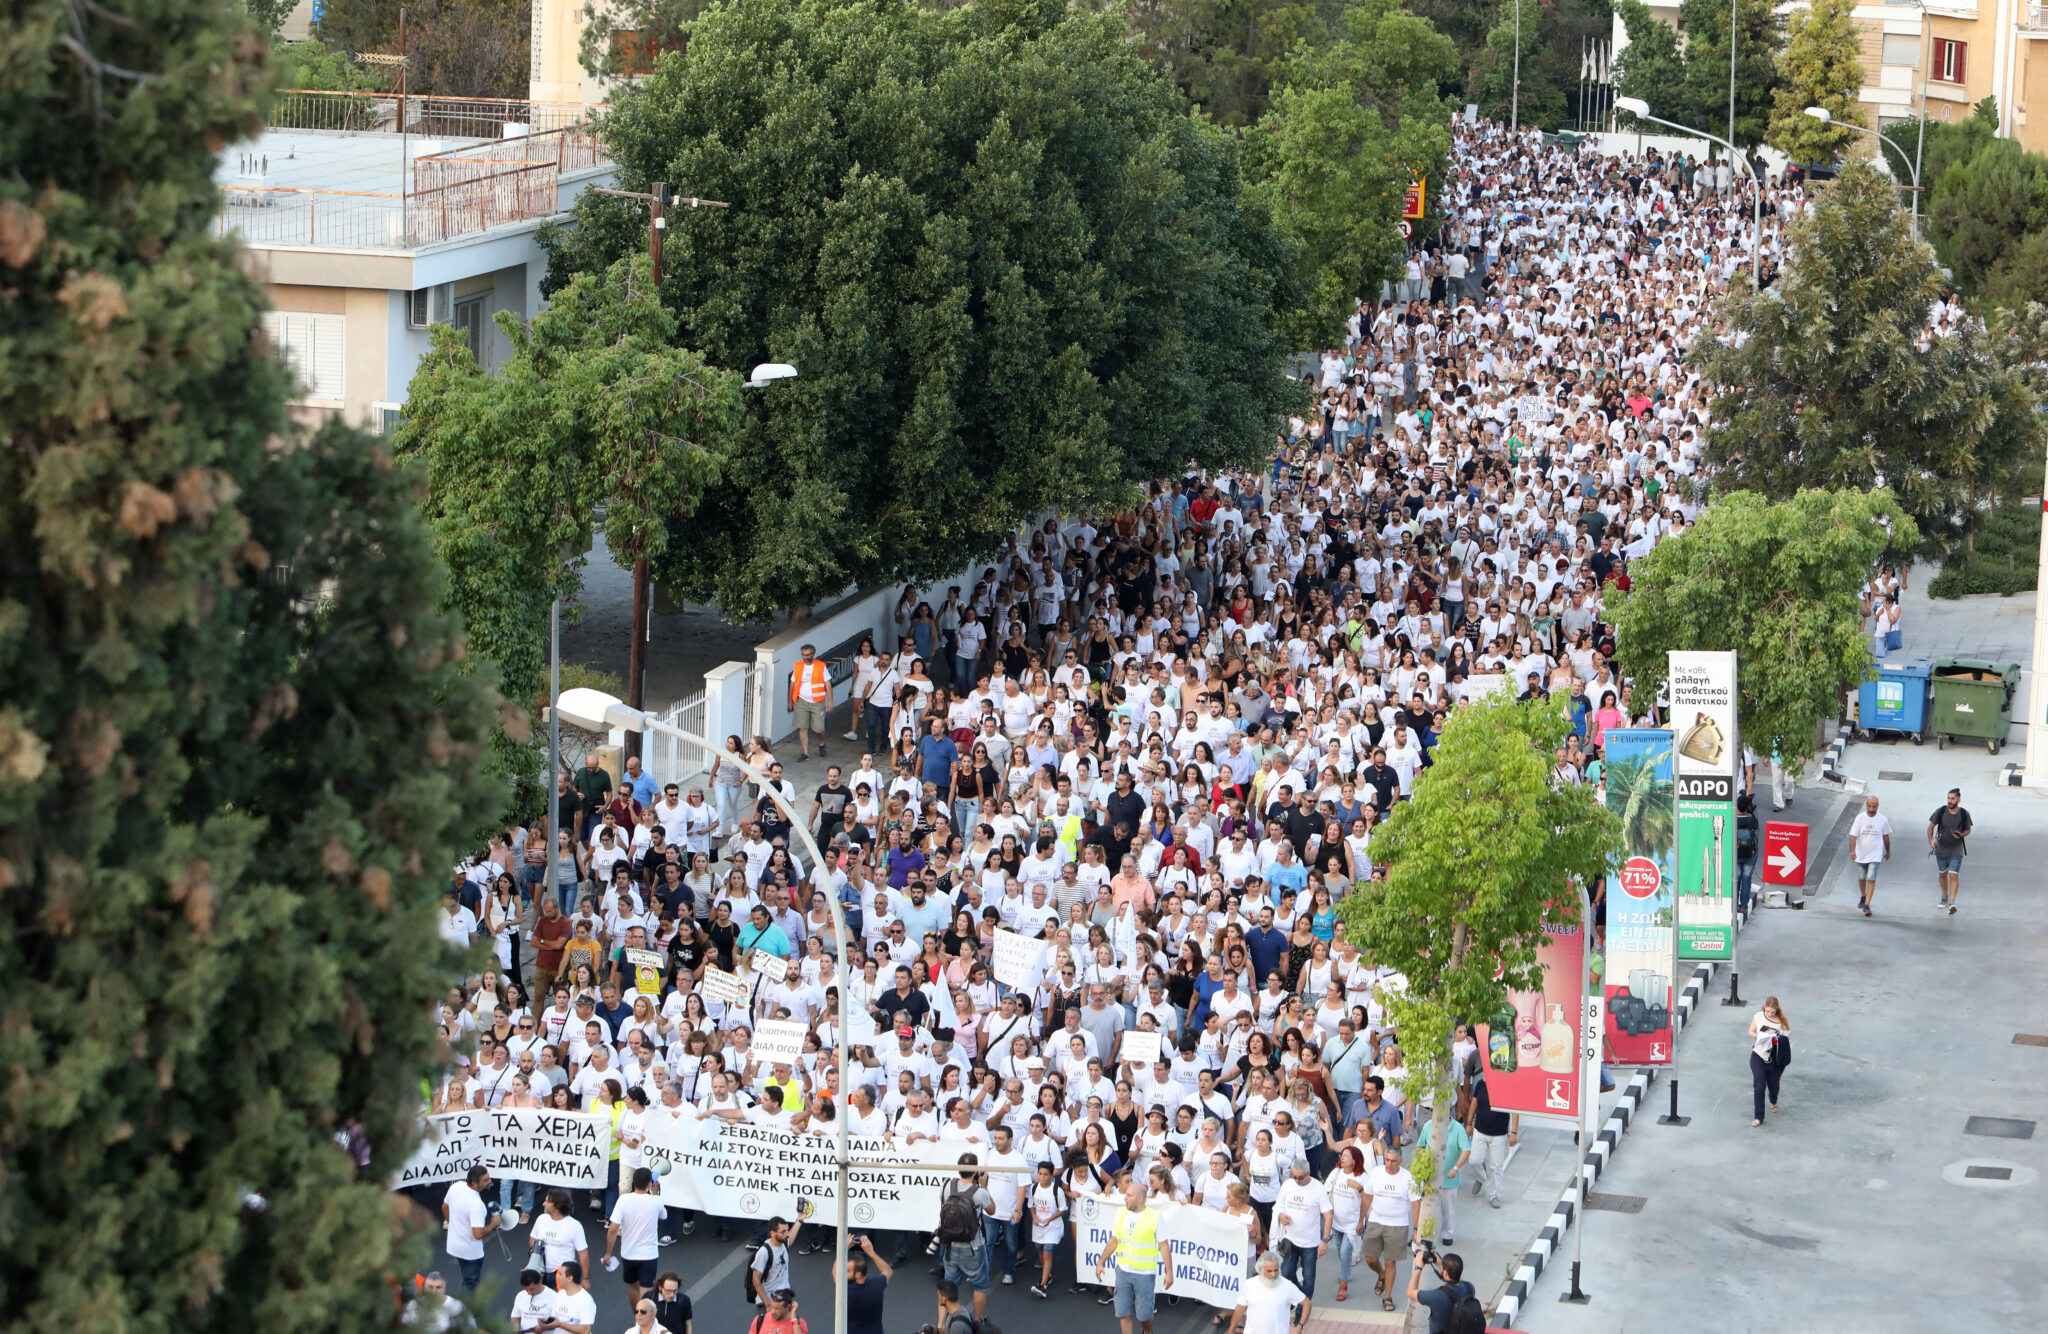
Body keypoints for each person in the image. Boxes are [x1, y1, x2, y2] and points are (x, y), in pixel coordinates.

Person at [1094, 1176, 1177, 1334]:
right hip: (1123, 1272)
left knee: (1144, 1316)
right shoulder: (1120, 1213)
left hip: (1144, 1274)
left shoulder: (1154, 1217)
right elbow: (1114, 1240)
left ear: (1140, 1197)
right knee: (1123, 1313)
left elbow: (1164, 1246)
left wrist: (1169, 1272)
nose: (1125, 1198)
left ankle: (1147, 1330)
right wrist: (1101, 1262)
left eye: (1129, 1195)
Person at [1358, 1144, 1419, 1313]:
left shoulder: (1408, 1178)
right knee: (1370, 1258)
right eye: (1387, 1160)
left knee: (1390, 1261)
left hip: (1397, 1225)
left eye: (1393, 1161)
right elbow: (1367, 1196)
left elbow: (1415, 1204)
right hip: (1376, 1221)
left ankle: (1388, 1296)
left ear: (1400, 1161)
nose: (1389, 1164)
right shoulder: (1376, 1173)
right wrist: (1360, 1220)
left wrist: (1416, 1229)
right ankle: (1382, 1274)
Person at [938, 1157, 995, 1321]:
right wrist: (983, 1186)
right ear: (975, 1171)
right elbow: (992, 1210)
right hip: (973, 1246)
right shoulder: (979, 1193)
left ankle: (941, 1325)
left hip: (950, 1244)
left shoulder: (948, 1185)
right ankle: (978, 1322)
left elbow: (943, 1205)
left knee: (948, 1286)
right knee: (980, 1285)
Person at [604, 1166, 666, 1309]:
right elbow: (663, 1217)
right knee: (646, 1289)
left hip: (628, 1254)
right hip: (648, 1255)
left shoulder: (624, 1199)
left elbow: (613, 1228)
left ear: (633, 1181)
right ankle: (643, 1320)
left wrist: (608, 1253)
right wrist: (656, 1194)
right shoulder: (656, 1201)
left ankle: (637, 1316)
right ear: (650, 1183)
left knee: (632, 1285)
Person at [1271, 1157, 1331, 1301]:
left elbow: (1328, 1215)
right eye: (1294, 1177)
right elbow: (1279, 1203)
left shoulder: (1318, 1189)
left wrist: (1325, 1240)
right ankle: (1301, 1298)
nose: (1297, 1181)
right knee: (1286, 1272)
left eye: (1301, 1177)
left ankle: (1302, 1309)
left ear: (1309, 1173)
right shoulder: (1287, 1185)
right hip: (1290, 1238)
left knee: (1309, 1277)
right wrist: (1280, 1215)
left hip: (1310, 1242)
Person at [442, 1165, 501, 1293]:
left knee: (466, 1279)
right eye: (485, 1180)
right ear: (475, 1183)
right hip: (471, 1253)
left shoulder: (455, 1186)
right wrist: (494, 1224)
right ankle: (465, 1310)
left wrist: (453, 1224)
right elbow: (478, 1234)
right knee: (470, 1285)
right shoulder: (476, 1205)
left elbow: (444, 1207)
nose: (490, 1181)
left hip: (454, 1246)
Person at [1224, 1249, 1308, 1334]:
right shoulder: (1249, 1284)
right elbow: (1240, 1308)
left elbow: (1307, 1304)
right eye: (1269, 1271)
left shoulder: (1287, 1286)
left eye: (1276, 1270)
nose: (1273, 1274)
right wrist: (1231, 1330)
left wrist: (1300, 1326)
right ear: (1260, 1269)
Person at [1405, 1247, 1480, 1334]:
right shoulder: (1470, 1288)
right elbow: (1458, 1280)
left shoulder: (1437, 1296)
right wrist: (1441, 1266)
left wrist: (1418, 1267)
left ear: (1445, 1273)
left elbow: (1410, 1292)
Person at [1746, 996, 1792, 1128]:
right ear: (1764, 1008)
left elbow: (1786, 1039)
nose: (1770, 1014)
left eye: (1773, 1012)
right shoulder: (1758, 1016)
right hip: (1759, 1054)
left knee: (1773, 1084)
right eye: (1768, 1011)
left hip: (1775, 1058)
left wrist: (1777, 1039)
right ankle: (1758, 1116)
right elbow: (1750, 1031)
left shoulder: (1781, 1022)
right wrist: (1759, 1036)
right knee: (1759, 1085)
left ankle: (1773, 1100)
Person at [836, 1233, 894, 1334]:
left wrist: (843, 1249)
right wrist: (871, 1252)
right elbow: (888, 1270)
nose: (843, 1272)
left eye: (847, 1270)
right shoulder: (877, 1285)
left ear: (858, 1274)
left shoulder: (846, 1291)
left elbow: (835, 1272)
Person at [1927, 787, 1973, 915]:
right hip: (1941, 848)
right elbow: (1930, 827)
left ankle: (1952, 903)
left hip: (1956, 849)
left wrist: (1961, 834)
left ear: (1959, 800)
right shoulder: (1941, 811)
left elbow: (1968, 830)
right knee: (1943, 874)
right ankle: (1944, 896)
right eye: (1948, 798)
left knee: (1953, 875)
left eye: (1953, 798)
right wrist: (1931, 841)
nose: (1950, 801)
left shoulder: (1964, 813)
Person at [1848, 794, 1892, 917]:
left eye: (1874, 807)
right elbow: (1853, 836)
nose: (1872, 809)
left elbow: (1886, 836)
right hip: (1861, 854)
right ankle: (1863, 895)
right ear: (1866, 806)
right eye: (1870, 806)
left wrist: (1887, 851)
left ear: (1877, 806)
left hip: (1875, 854)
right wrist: (1852, 851)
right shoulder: (1860, 818)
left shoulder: (1882, 819)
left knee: (1871, 878)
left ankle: (1867, 905)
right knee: (1862, 877)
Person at [790, 643, 832, 761]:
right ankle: (805, 753)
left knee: (818, 728)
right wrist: (790, 701)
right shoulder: (798, 666)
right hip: (801, 701)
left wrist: (830, 701)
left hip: (817, 702)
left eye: (808, 654)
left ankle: (821, 743)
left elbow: (827, 683)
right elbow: (792, 684)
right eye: (804, 655)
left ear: (813, 654)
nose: (806, 657)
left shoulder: (820, 666)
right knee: (802, 727)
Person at [748, 1217, 797, 1307]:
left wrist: (800, 1219)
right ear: (772, 1233)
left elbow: (792, 1236)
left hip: (784, 1300)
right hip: (769, 1303)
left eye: (787, 1230)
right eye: (783, 1232)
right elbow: (756, 1280)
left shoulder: (783, 1244)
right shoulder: (764, 1252)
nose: (787, 1234)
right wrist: (768, 1305)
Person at [545, 1261, 597, 1334]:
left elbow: (585, 1330)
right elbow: (554, 1319)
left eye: (560, 1274)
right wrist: (544, 1324)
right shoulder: (560, 1294)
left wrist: (560, 1324)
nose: (557, 1276)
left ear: (570, 1278)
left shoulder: (586, 1300)